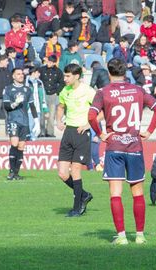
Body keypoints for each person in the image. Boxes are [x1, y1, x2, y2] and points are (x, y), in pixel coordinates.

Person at [88, 58, 156, 245]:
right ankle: (139, 235)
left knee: (116, 193)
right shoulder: (138, 90)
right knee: (137, 193)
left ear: (108, 71)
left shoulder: (103, 92)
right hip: (134, 146)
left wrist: (101, 134)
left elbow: (91, 117)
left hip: (114, 147)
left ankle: (121, 236)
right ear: (125, 72)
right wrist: (148, 131)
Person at [56, 63, 95, 218]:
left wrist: (88, 124)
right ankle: (84, 195)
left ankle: (77, 208)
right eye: (64, 75)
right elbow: (60, 107)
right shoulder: (65, 91)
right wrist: (59, 121)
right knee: (62, 173)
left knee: (76, 170)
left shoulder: (88, 91)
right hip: (69, 132)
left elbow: (101, 111)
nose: (65, 79)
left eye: (68, 76)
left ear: (77, 76)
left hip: (81, 132)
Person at [3, 68, 40, 180]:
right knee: (14, 143)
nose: (21, 76)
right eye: (18, 74)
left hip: (25, 121)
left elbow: (32, 106)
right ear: (13, 76)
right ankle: (11, 171)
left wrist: (36, 121)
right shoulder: (8, 89)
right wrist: (15, 103)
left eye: (22, 74)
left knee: (21, 146)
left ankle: (16, 172)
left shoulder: (27, 89)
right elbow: (6, 106)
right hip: (13, 120)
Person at [39, 55, 64, 137]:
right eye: (48, 61)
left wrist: (57, 92)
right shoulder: (42, 69)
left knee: (51, 114)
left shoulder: (58, 71)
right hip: (43, 94)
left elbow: (62, 83)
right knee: (42, 114)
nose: (48, 63)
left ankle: (50, 132)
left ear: (54, 63)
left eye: (50, 62)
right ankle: (41, 132)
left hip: (53, 94)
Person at [25, 67, 49, 140]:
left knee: (36, 126)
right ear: (33, 73)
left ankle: (33, 140)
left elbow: (43, 97)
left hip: (38, 108)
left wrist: (45, 110)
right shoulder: (26, 81)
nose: (39, 74)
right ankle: (28, 141)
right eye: (38, 73)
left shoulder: (39, 82)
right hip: (29, 109)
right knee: (29, 125)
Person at [0, 55, 12, 136]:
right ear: (1, 61)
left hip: (6, 97)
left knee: (8, 116)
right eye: (6, 61)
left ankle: (8, 132)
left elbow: (10, 83)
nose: (7, 63)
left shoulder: (7, 71)